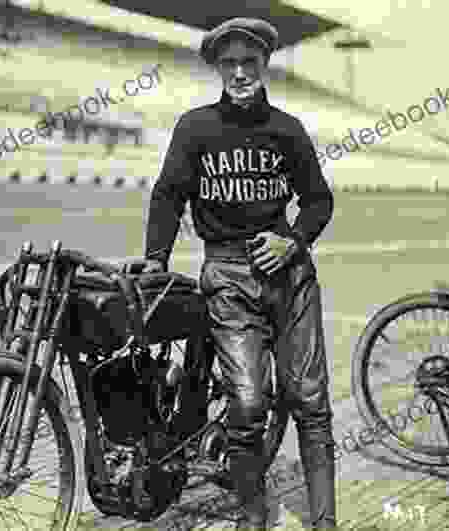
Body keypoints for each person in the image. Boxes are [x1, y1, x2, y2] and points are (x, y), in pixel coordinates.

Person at [141, 18, 338, 530]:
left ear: (264, 64)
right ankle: (253, 519)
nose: (240, 72)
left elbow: (318, 200)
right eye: (229, 64)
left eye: (249, 62)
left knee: (310, 402)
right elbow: (167, 196)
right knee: (248, 406)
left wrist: (292, 241)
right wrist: (156, 258)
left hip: (290, 277)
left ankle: (324, 523)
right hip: (228, 277)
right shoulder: (195, 127)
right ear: (218, 68)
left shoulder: (287, 129)